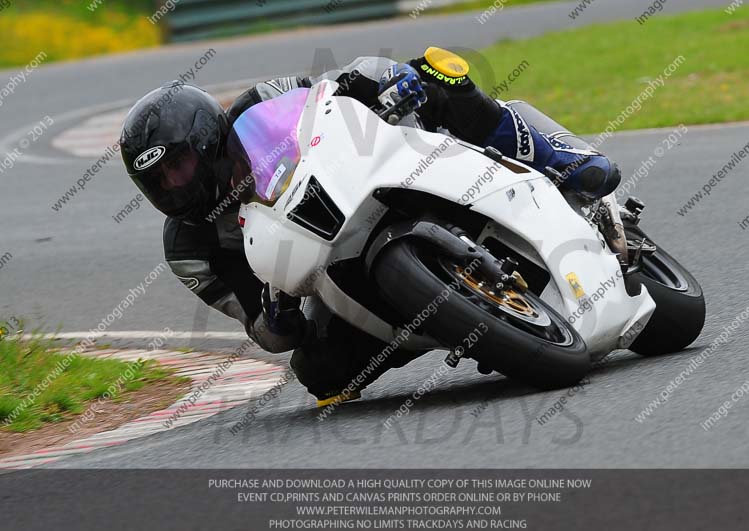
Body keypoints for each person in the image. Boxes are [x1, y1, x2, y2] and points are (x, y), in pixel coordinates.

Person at [120, 47, 620, 406]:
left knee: (433, 73)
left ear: (206, 139)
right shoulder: (188, 244)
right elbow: (259, 328)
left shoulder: (257, 107)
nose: (173, 185)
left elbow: (334, 87)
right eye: (157, 181)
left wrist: (382, 80)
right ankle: (454, 320)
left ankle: (556, 156)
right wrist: (275, 315)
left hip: (367, 173)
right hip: (325, 268)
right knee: (318, 373)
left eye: (177, 166)